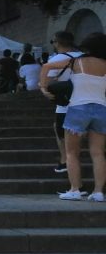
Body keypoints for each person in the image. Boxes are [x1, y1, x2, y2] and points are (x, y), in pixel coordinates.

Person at [42, 32, 106, 202]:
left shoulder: (76, 61)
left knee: (71, 153)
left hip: (78, 108)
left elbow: (46, 67)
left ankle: (75, 189)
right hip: (101, 108)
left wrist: (43, 88)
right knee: (98, 153)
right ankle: (99, 192)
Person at [41, 31, 84, 175]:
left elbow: (47, 85)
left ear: (57, 43)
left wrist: (44, 88)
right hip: (86, 101)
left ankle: (64, 160)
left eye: (53, 41)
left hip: (65, 105)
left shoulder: (55, 60)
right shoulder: (84, 57)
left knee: (62, 134)